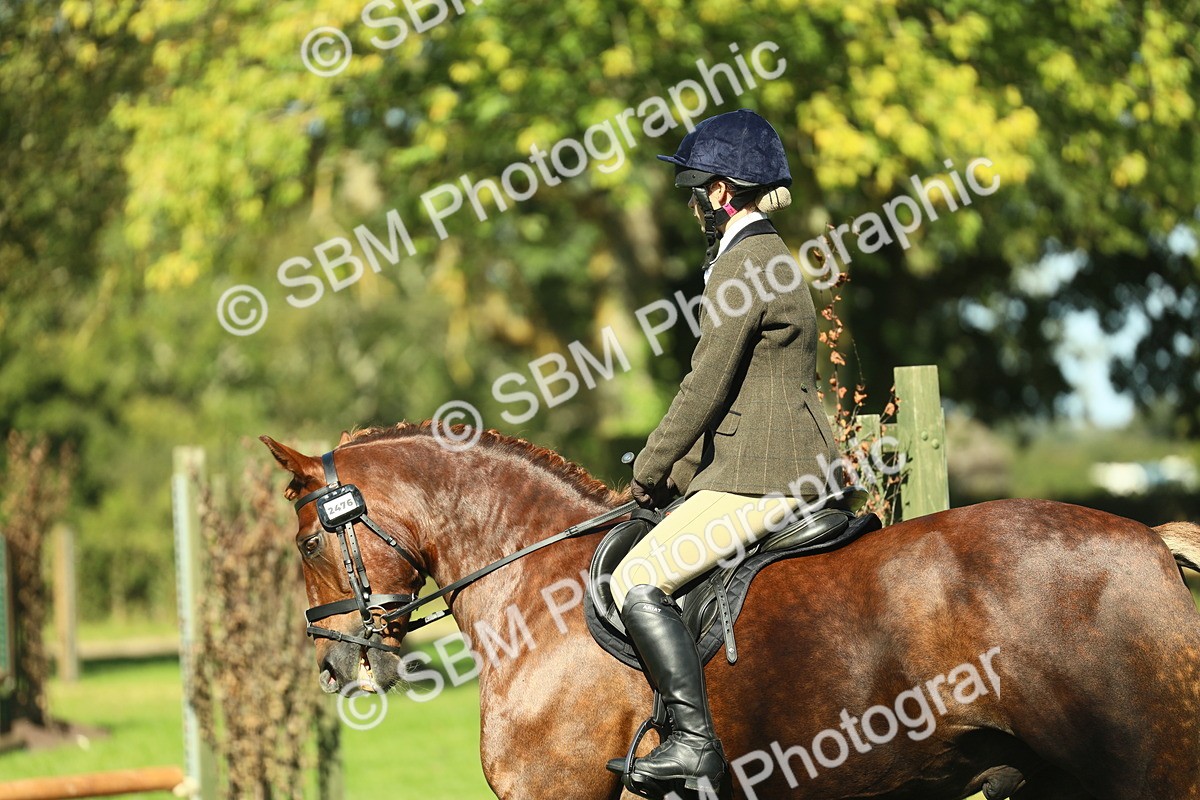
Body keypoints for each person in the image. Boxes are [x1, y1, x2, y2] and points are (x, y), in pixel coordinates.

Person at [607, 109, 840, 797]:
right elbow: (738, 394)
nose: (689, 201)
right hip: (772, 462)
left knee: (634, 581)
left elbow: (705, 386)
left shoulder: (744, 263)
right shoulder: (767, 257)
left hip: (765, 478)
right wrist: (677, 477)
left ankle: (693, 744)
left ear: (723, 192)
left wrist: (647, 471)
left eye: (694, 187)